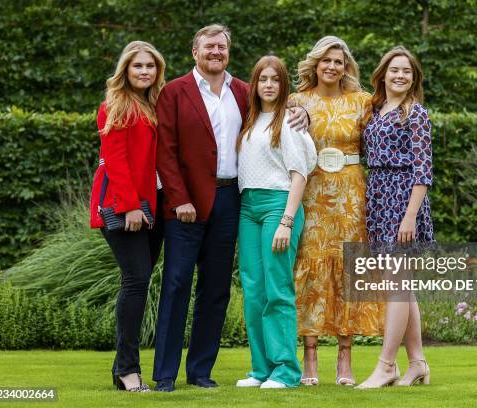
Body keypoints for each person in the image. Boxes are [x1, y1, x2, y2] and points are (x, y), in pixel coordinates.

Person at [154, 25, 309, 392]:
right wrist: (178, 200)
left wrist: (305, 114)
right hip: (186, 204)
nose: (216, 52)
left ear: (228, 52)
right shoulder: (174, 92)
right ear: (195, 52)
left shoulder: (244, 91)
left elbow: (279, 111)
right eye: (209, 46)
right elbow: (166, 152)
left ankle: (200, 371)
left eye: (222, 47)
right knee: (176, 284)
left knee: (217, 288)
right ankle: (164, 374)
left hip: (231, 202)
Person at [290, 36, 385, 386]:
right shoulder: (298, 101)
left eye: (338, 62)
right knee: (310, 270)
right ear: (315, 63)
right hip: (311, 192)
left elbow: (383, 138)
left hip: (351, 193)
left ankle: (345, 357)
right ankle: (310, 357)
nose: (332, 66)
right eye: (326, 60)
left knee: (349, 269)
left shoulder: (362, 102)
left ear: (346, 67)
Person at [235, 56, 317, 389]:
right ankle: (261, 369)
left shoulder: (289, 123)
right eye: (262, 79)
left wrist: (286, 221)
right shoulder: (250, 120)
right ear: (254, 85)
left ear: (284, 86)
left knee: (277, 288)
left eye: (275, 79)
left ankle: (285, 370)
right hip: (248, 208)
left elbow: (300, 175)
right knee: (253, 290)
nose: (268, 85)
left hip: (278, 206)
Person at [89, 41, 166, 392]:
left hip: (151, 207)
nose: (145, 72)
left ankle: (121, 369)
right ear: (126, 70)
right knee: (136, 281)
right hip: (125, 207)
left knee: (136, 282)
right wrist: (130, 205)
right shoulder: (114, 106)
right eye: (138, 66)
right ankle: (129, 371)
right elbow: (115, 160)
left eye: (150, 66)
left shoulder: (153, 105)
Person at [356, 46, 434, 389]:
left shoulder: (414, 114)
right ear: (383, 74)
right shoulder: (375, 109)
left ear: (413, 78)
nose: (400, 75)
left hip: (404, 200)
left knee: (396, 286)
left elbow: (423, 170)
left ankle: (386, 366)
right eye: (395, 70)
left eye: (407, 71)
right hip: (380, 196)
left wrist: (410, 217)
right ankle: (417, 363)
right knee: (403, 288)